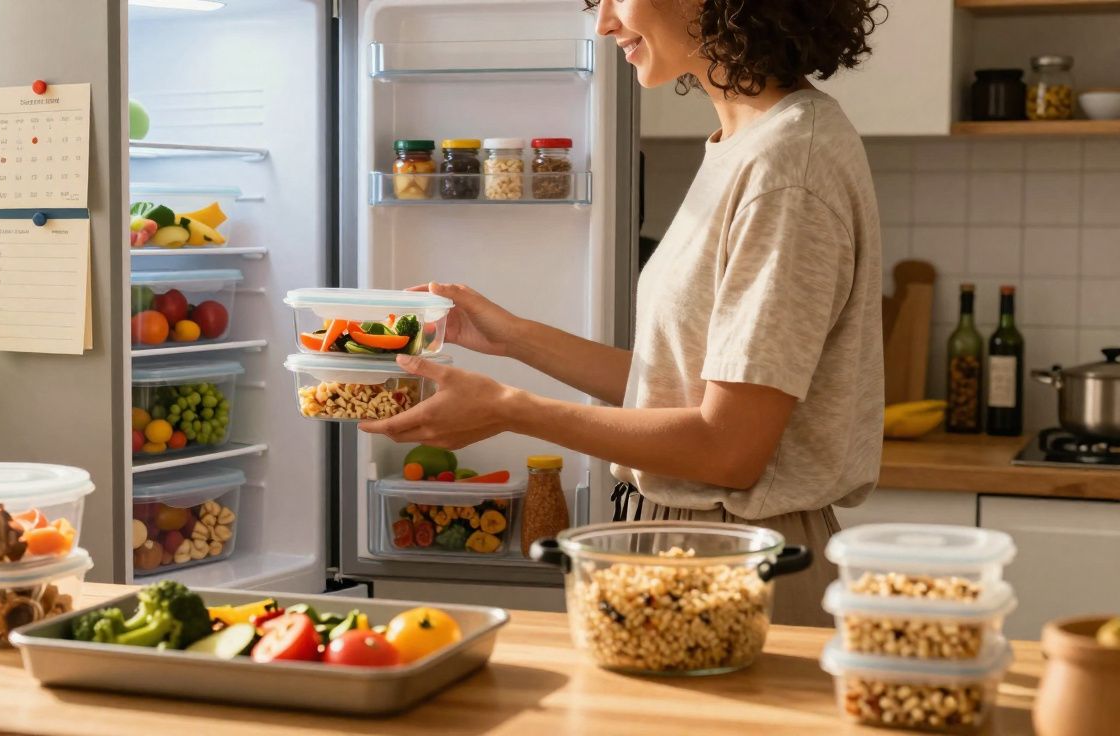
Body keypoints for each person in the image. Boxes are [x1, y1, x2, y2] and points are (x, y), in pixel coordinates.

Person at [360, 0, 885, 627]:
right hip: (696, 545)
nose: (604, 22)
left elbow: (729, 448)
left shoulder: (787, 168)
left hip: (741, 561)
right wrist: (515, 338)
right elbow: (681, 389)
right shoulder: (746, 142)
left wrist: (509, 410)